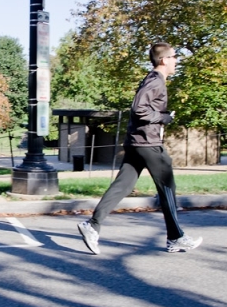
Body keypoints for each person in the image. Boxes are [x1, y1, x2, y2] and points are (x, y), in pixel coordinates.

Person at [77, 42, 202, 254]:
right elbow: (139, 109)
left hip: (137, 142)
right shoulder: (155, 81)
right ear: (163, 60)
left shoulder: (153, 79)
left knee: (122, 186)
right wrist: (163, 118)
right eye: (174, 56)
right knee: (168, 188)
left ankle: (93, 225)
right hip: (148, 143)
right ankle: (176, 237)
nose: (176, 60)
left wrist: (161, 117)